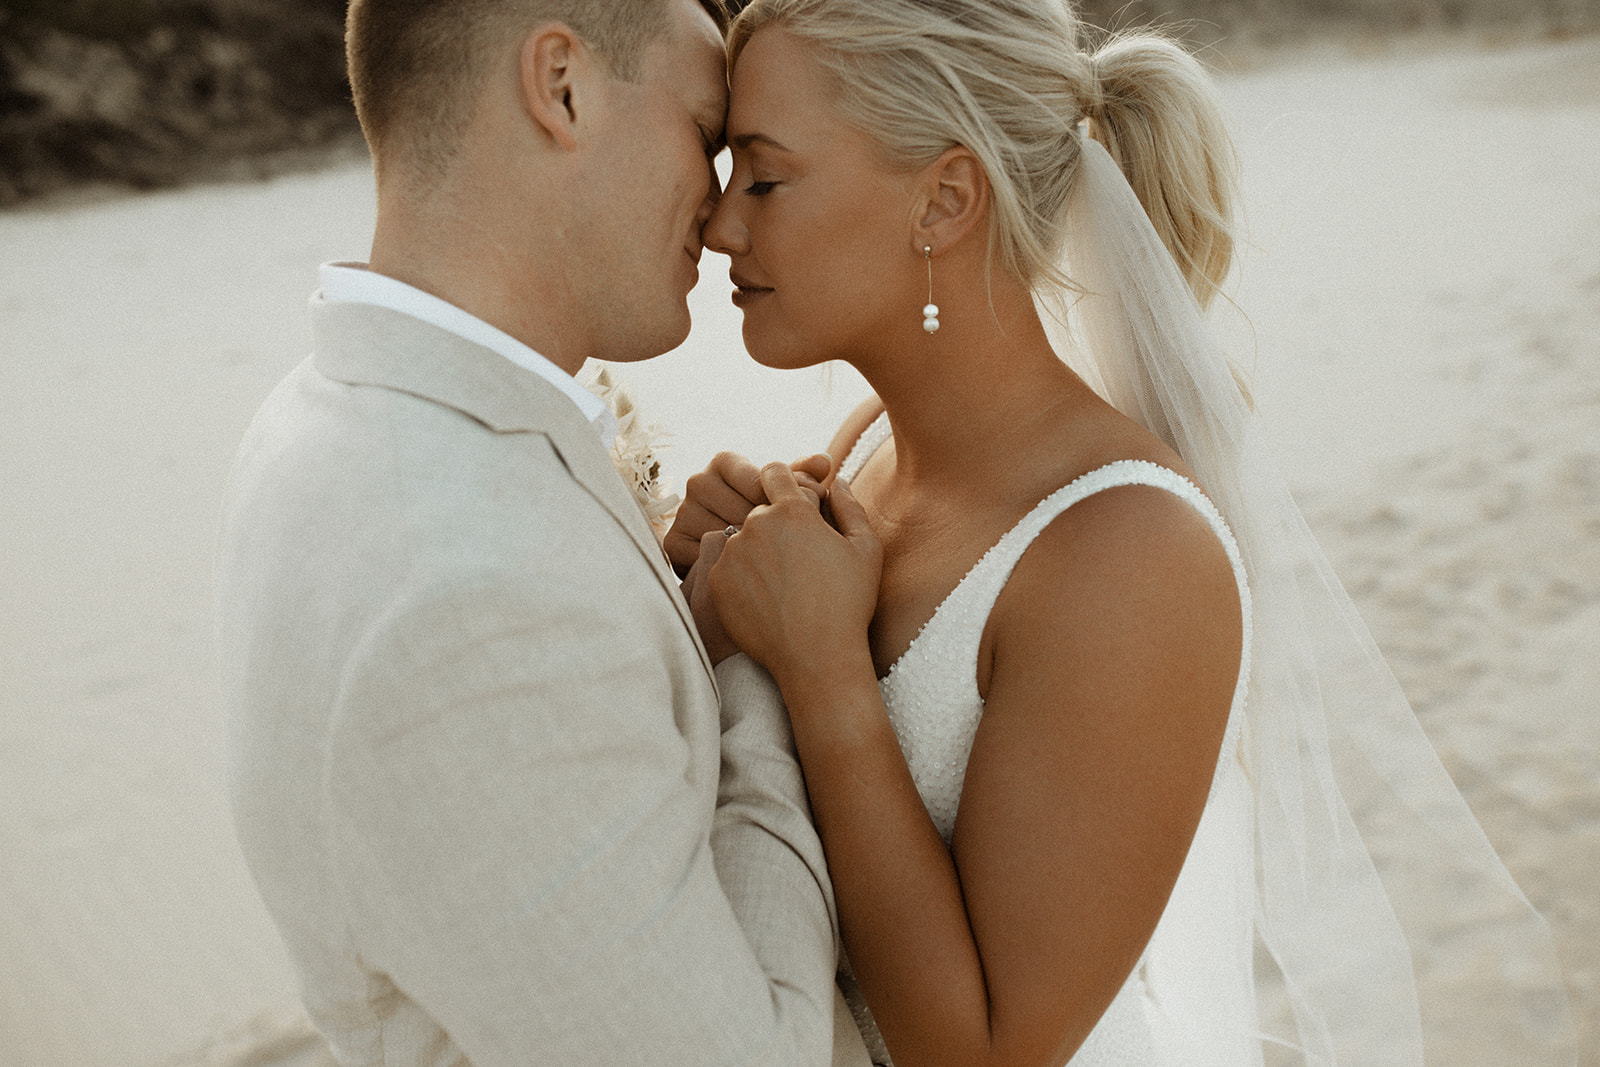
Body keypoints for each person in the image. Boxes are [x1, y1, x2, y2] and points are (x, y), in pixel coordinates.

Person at [666, 0, 1577, 1063]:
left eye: (764, 178)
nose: (724, 224)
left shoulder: (1133, 554)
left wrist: (823, 669)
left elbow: (991, 1050)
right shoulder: (867, 447)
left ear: (944, 198)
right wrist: (701, 599)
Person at [213, 0, 873, 1063]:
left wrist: (686, 607)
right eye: (703, 137)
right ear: (561, 86)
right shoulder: (465, 600)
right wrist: (765, 658)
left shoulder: (325, 411)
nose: (714, 213)